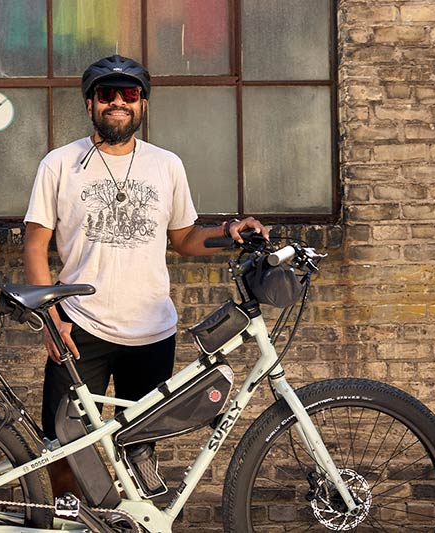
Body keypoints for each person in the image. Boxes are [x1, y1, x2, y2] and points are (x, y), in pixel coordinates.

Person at [23, 55, 268, 496]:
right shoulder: (59, 164)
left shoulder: (166, 165)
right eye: (106, 94)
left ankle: (134, 522)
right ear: (89, 104)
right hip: (79, 326)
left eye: (129, 93)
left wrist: (229, 233)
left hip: (151, 331)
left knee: (139, 446)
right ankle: (68, 522)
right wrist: (50, 319)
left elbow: (185, 238)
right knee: (63, 444)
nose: (118, 102)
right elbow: (35, 244)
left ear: (144, 104)